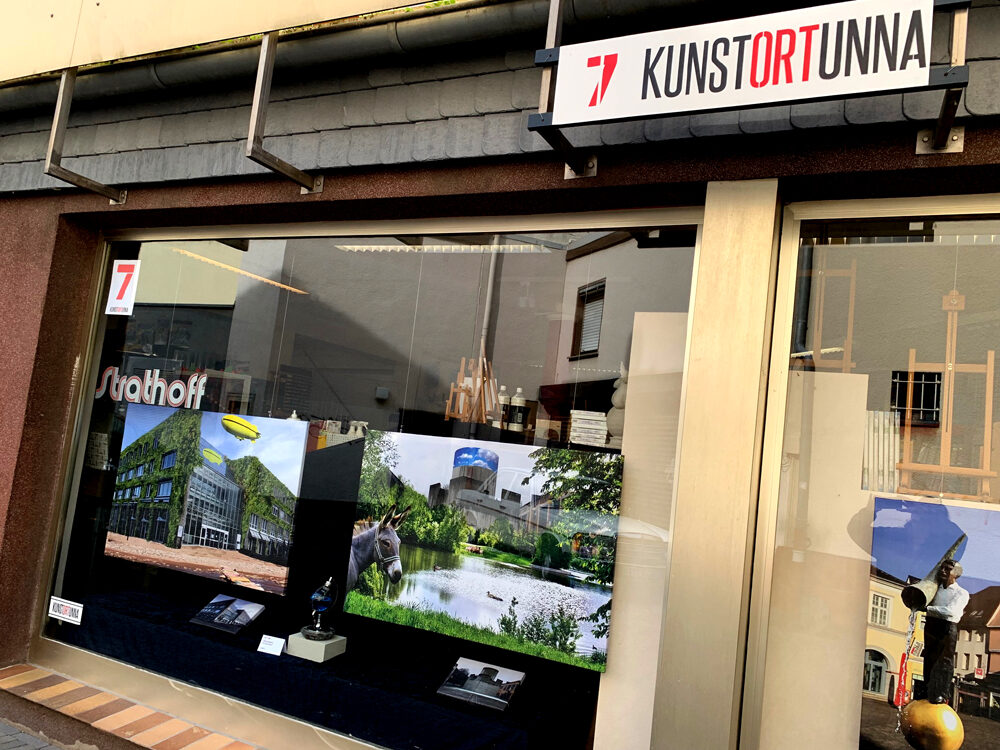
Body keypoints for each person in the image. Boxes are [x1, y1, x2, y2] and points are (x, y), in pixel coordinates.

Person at [921, 559, 969, 704]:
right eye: (942, 568)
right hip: (931, 625)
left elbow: (951, 612)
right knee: (929, 657)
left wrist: (928, 609)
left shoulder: (961, 593)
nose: (943, 571)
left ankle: (942, 694)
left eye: (947, 569)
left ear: (956, 573)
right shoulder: (935, 589)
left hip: (947, 627)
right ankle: (927, 691)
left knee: (944, 660)